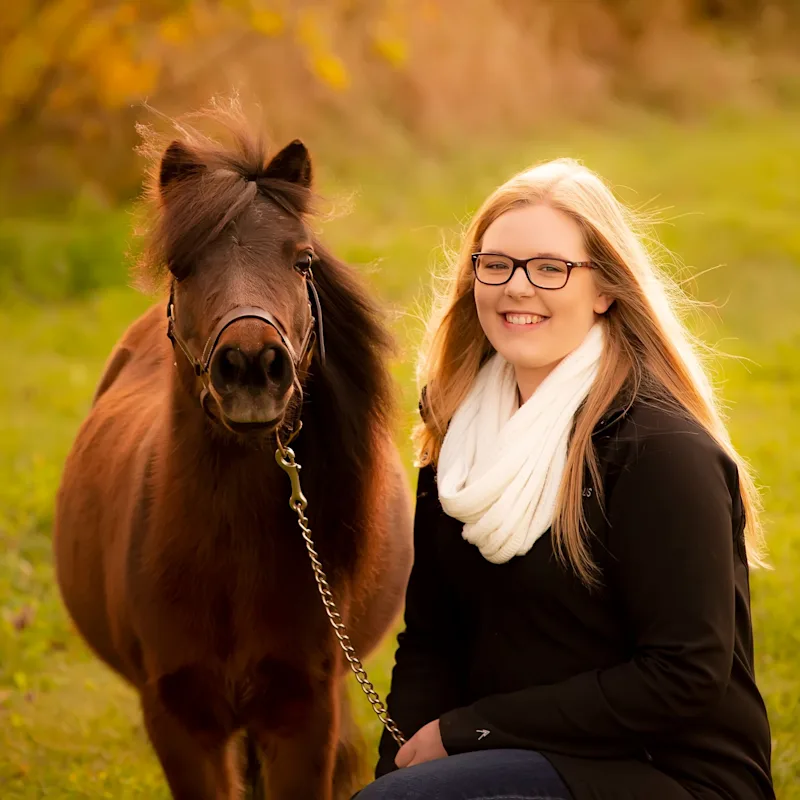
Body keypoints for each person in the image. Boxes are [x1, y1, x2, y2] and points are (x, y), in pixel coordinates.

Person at [356, 159, 775, 800]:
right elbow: (433, 641)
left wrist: (470, 735)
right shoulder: (457, 440)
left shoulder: (659, 450)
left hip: (665, 772)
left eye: (550, 268)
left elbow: (683, 675)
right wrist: (398, 769)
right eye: (495, 265)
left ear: (604, 288)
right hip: (515, 756)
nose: (517, 288)